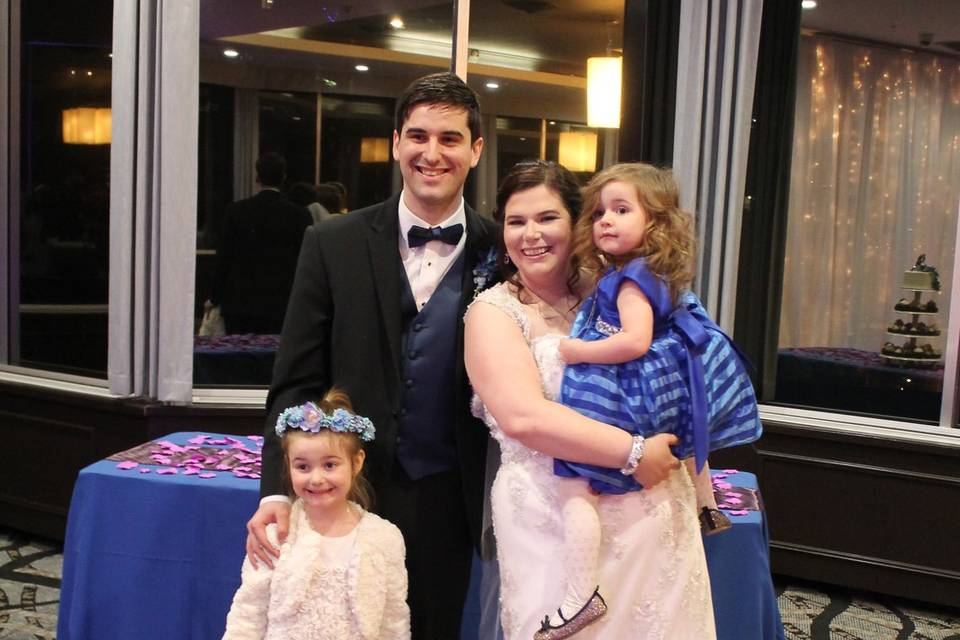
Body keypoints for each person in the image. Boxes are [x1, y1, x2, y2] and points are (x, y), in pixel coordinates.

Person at [246, 72, 497, 639]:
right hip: (345, 490)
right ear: (395, 143)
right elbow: (294, 382)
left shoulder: (501, 250)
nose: (431, 153)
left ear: (475, 150)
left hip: (449, 498)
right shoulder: (332, 242)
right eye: (418, 135)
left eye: (450, 138)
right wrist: (277, 490)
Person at [465, 160, 716, 640]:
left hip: (653, 511)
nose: (530, 234)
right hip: (550, 516)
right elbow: (523, 418)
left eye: (546, 218)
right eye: (516, 222)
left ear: (575, 221)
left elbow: (678, 368)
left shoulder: (620, 289)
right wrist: (633, 452)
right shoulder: (492, 313)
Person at [539, 162, 764, 633]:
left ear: (655, 223)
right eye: (600, 211)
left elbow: (634, 342)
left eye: (621, 210)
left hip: (630, 391)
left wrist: (578, 350)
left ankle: (580, 595)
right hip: (668, 383)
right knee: (684, 437)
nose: (605, 220)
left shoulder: (627, 281)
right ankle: (707, 505)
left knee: (573, 481)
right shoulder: (655, 271)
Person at [223, 389, 410, 639]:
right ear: (287, 465)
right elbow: (247, 617)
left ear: (357, 462)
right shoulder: (276, 535)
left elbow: (394, 621)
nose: (316, 478)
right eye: (302, 466)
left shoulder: (385, 537)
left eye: (330, 465)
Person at [209, 152, 313, 334]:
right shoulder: (299, 215)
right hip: (281, 300)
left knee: (239, 357)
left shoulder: (236, 211)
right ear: (283, 177)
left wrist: (214, 296)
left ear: (257, 177)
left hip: (241, 301)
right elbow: (306, 261)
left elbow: (224, 257)